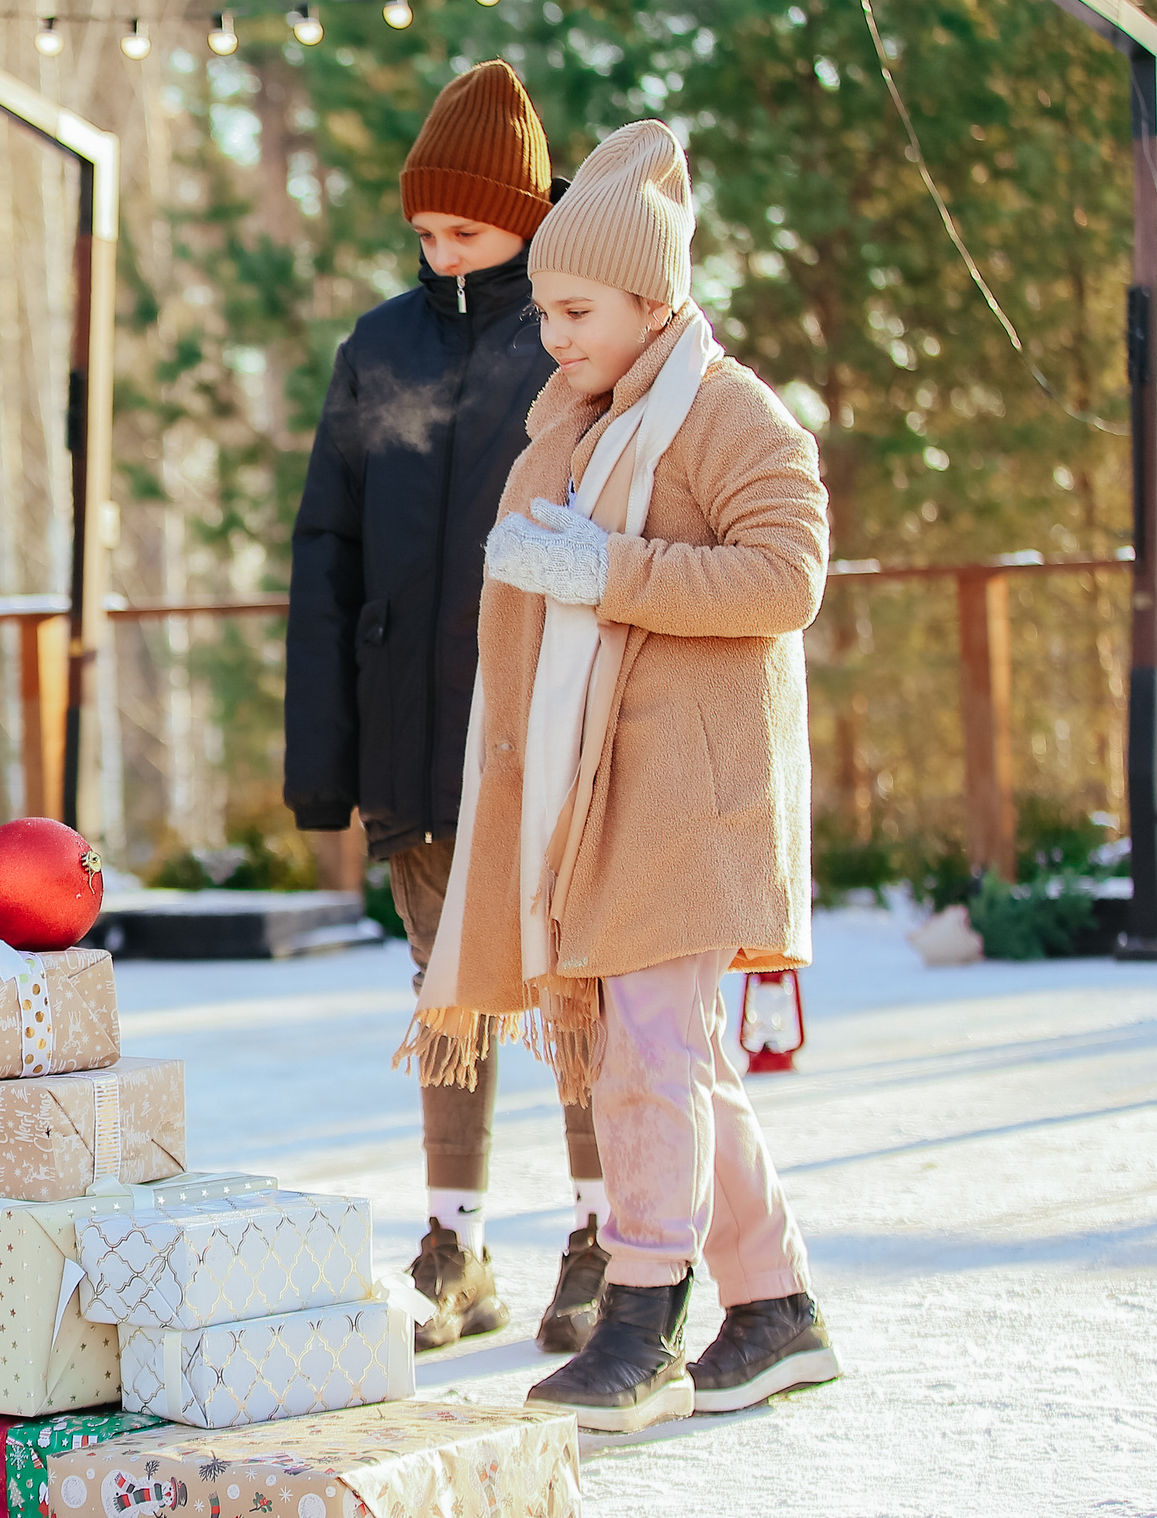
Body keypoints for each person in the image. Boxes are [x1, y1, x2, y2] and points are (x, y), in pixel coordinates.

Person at [408, 119, 843, 1432]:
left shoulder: (725, 413)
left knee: (650, 1053)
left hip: (691, 801)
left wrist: (612, 571)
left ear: (655, 299)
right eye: (544, 309)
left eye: (578, 309)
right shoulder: (584, 422)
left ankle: (643, 1320)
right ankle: (773, 1306)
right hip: (607, 800)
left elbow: (789, 576)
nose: (554, 335)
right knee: (672, 1059)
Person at [287, 60, 609, 1354]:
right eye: (425, 231)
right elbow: (329, 548)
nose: (440, 252)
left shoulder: (577, 331)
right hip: (413, 730)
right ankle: (458, 1242)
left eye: (465, 230)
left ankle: (603, 1231)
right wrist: (327, 760)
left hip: (547, 727)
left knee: (573, 985)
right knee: (445, 995)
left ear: (529, 220)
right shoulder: (382, 344)